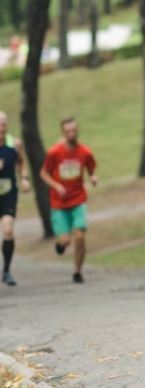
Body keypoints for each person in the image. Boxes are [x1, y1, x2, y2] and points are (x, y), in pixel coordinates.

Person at [40, 117, 98, 283]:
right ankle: (61, 245)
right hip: (59, 203)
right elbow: (43, 173)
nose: (71, 134)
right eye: (68, 131)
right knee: (66, 240)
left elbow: (91, 170)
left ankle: (77, 271)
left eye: (74, 130)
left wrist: (93, 177)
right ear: (63, 133)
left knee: (80, 237)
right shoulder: (55, 153)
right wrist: (56, 186)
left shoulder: (85, 152)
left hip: (78, 199)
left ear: (77, 130)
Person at [0, 112, 31, 286]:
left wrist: (24, 178)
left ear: (7, 125)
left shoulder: (15, 144)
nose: (0, 129)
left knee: (8, 230)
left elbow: (21, 162)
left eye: (3, 125)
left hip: (8, 195)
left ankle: (6, 270)